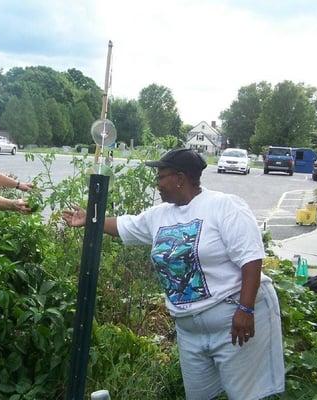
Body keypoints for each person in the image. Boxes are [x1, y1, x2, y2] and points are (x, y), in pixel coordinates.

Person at [62, 148, 285, 400]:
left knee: (244, 396)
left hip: (232, 320)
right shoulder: (160, 215)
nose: (156, 183)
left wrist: (246, 310)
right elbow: (125, 225)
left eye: (160, 176)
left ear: (180, 178)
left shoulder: (223, 206)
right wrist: (90, 219)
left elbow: (251, 259)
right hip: (190, 330)